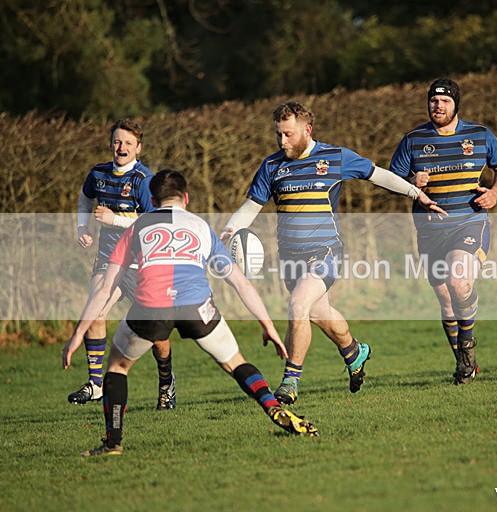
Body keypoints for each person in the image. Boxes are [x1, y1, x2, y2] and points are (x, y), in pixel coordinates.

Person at [62, 169, 318, 457]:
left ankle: (113, 442)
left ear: (153, 200)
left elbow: (105, 289)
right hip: (197, 306)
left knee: (118, 368)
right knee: (235, 363)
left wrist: (78, 334)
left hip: (151, 307)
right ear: (186, 197)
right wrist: (268, 325)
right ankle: (273, 407)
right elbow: (239, 282)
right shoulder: (200, 226)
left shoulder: (136, 227)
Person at [220, 101, 446, 404]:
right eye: (278, 135)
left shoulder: (335, 157)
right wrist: (229, 231)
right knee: (318, 312)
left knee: (298, 304)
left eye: (287, 134)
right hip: (290, 256)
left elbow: (378, 175)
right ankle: (355, 351)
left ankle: (290, 380)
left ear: (307, 130)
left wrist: (416, 193)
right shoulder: (271, 166)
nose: (282, 141)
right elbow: (251, 208)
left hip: (324, 251)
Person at [389, 78, 497, 384]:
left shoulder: (479, 134)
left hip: (469, 221)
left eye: (444, 101)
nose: (438, 106)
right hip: (430, 230)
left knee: (458, 282)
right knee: (446, 299)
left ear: (456, 104)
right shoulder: (414, 139)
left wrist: (495, 193)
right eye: (433, 100)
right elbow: (392, 179)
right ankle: (464, 363)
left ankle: (467, 353)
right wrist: (411, 184)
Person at [71, 118, 176, 409]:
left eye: (128, 143)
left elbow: (156, 221)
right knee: (95, 311)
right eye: (117, 142)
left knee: (157, 334)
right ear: (110, 144)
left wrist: (114, 219)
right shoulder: (99, 173)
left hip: (143, 264)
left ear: (138, 148)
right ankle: (95, 384)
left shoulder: (144, 180)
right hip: (109, 259)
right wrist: (82, 228)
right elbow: (84, 198)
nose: (122, 148)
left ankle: (166, 382)